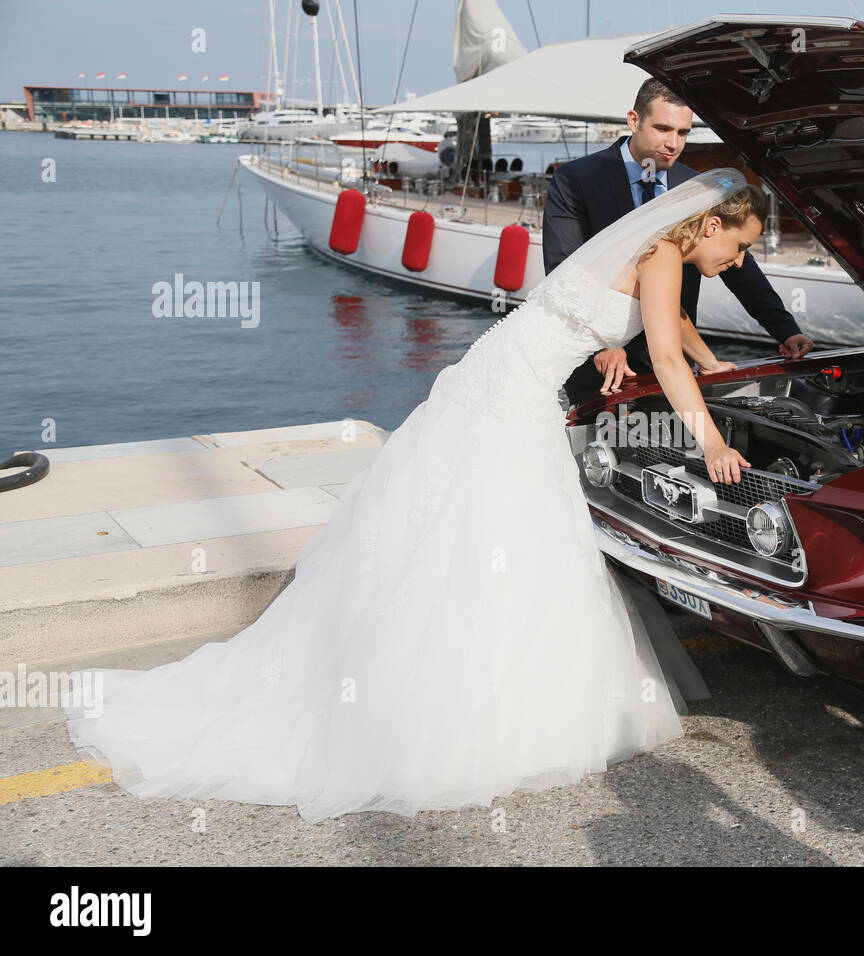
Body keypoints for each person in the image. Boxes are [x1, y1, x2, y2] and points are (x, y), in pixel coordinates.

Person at [61, 168, 761, 825]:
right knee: (495, 540)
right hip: (509, 401)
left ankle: (466, 703)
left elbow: (668, 331)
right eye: (739, 247)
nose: (737, 263)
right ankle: (464, 720)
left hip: (494, 376)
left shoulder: (655, 248)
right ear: (708, 226)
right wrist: (711, 443)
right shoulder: (665, 258)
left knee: (464, 537)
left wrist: (701, 361)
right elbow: (663, 353)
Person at [544, 79, 814, 406]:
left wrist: (785, 330)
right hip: (603, 368)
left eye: (683, 133)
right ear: (634, 121)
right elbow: (565, 269)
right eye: (662, 128)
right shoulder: (577, 179)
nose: (673, 143)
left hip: (675, 358)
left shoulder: (697, 187)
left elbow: (739, 265)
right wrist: (602, 345)